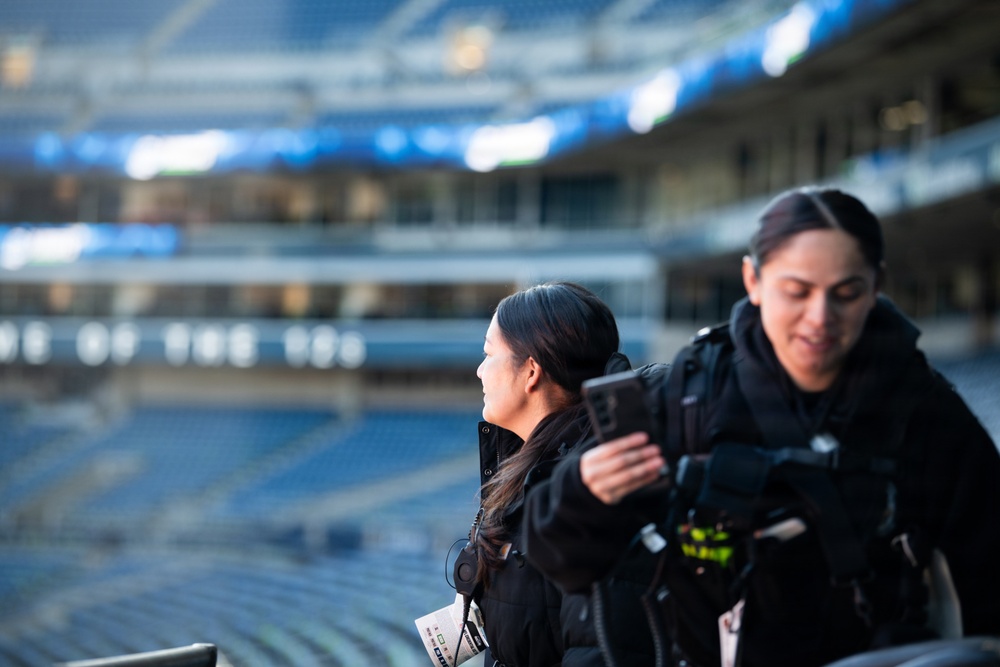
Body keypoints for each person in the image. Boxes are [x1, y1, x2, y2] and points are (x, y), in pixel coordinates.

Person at [523, 188, 1000, 667]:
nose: (820, 318)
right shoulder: (694, 393)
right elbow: (561, 557)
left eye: (846, 292)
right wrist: (583, 496)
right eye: (797, 291)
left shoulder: (924, 410)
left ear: (877, 286)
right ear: (753, 279)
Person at [463, 281, 655, 667]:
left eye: (488, 354)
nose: (480, 370)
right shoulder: (536, 470)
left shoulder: (596, 490)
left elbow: (601, 652)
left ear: (531, 370)